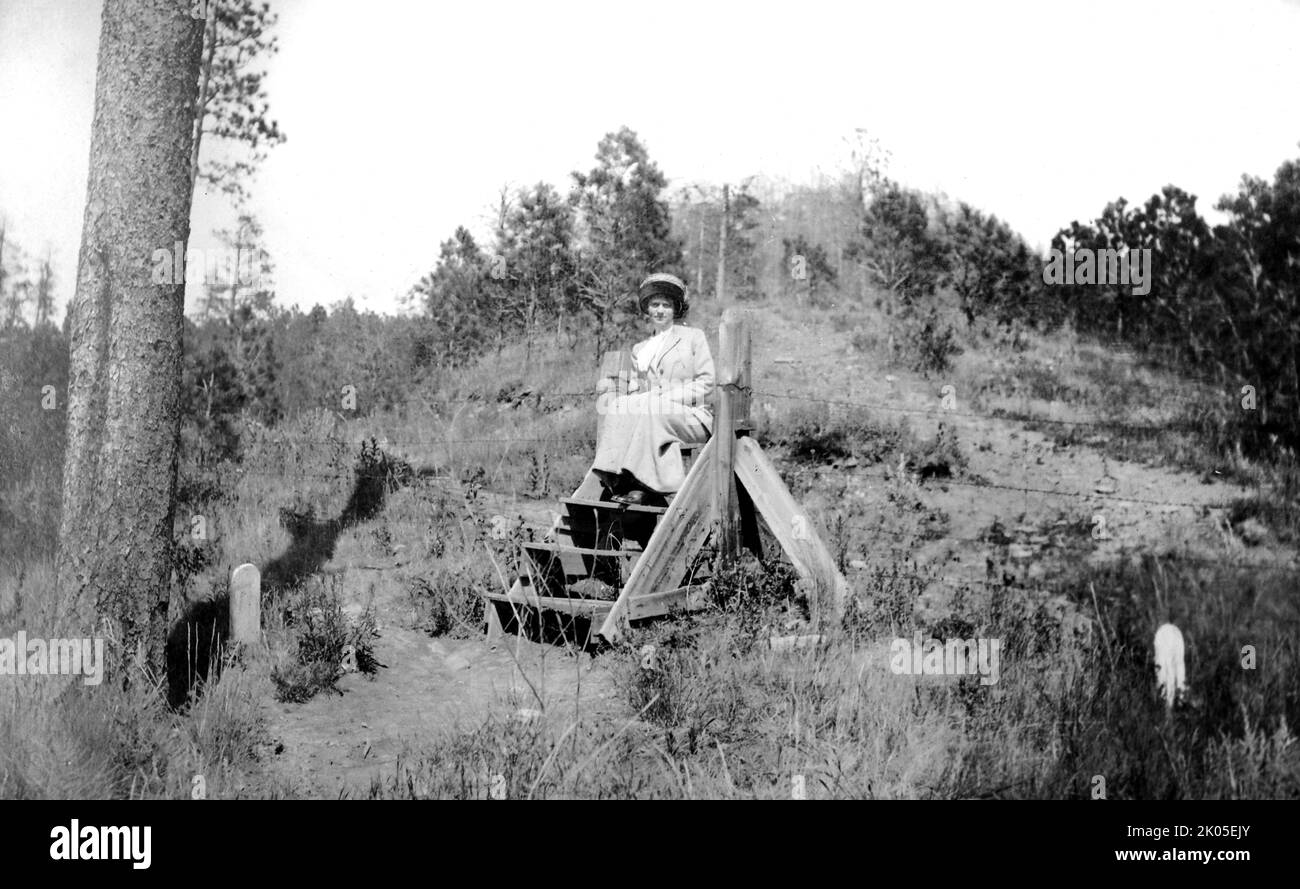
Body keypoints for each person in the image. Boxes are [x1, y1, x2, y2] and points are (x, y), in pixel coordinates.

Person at [589, 273, 715, 506]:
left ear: (676, 309)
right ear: (647, 308)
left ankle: (647, 486)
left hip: (693, 417)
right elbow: (640, 390)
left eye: (666, 305)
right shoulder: (641, 348)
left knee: (651, 410)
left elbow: (707, 382)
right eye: (654, 305)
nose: (659, 311)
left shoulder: (693, 338)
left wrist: (664, 398)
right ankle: (615, 478)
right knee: (619, 405)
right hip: (655, 413)